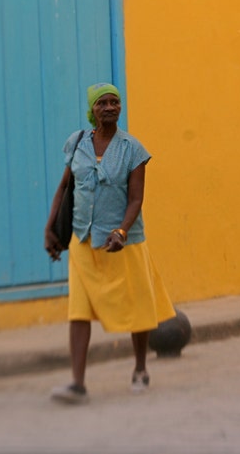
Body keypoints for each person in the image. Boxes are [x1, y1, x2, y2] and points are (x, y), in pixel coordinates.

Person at [44, 82, 175, 405]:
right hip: (82, 241)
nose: (110, 108)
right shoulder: (76, 143)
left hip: (123, 244)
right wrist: (51, 228)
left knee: (137, 306)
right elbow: (64, 188)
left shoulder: (133, 149)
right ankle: (77, 383)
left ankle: (141, 368)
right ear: (92, 109)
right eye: (102, 103)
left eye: (115, 102)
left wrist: (121, 231)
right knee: (78, 311)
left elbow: (135, 199)